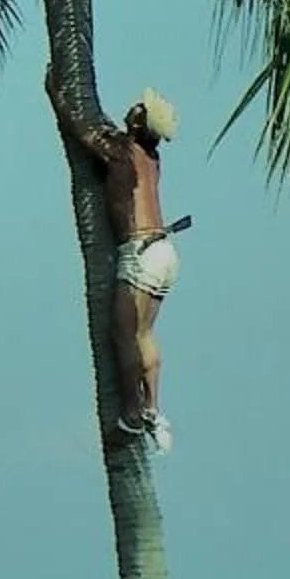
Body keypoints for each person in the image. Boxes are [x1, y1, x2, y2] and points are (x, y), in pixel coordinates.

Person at [46, 74, 181, 449]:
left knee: (123, 335)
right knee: (144, 334)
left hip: (141, 253)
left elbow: (85, 133)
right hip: (164, 252)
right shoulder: (151, 158)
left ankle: (133, 413)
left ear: (139, 123)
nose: (133, 106)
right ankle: (152, 409)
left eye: (139, 108)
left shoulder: (121, 152)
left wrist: (57, 98)